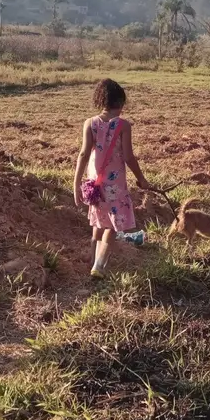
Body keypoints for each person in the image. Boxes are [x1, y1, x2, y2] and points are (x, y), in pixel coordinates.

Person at [73, 79, 149, 278]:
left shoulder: (89, 123)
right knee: (112, 226)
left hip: (94, 183)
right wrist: (141, 178)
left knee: (98, 223)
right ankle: (99, 266)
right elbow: (128, 157)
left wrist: (76, 185)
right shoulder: (123, 125)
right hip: (115, 185)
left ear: (100, 101)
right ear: (121, 103)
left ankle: (92, 258)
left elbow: (82, 154)